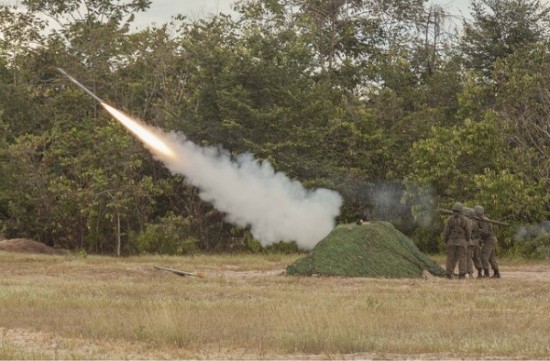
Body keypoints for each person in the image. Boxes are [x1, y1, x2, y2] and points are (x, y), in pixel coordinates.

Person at [443, 202, 471, 279]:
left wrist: (445, 240)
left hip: (451, 241)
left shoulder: (449, 219)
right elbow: (468, 231)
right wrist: (468, 239)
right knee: (462, 258)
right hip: (462, 241)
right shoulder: (465, 220)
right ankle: (462, 275)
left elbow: (446, 231)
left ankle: (449, 273)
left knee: (450, 258)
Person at [474, 205, 500, 278]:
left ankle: (486, 273)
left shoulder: (483, 220)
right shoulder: (484, 219)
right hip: (491, 239)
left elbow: (486, 232)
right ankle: (496, 273)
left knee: (483, 256)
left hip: (489, 239)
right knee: (491, 257)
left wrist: (478, 230)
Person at [465, 207, 483, 278]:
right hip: (476, 242)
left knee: (468, 258)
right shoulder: (475, 222)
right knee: (477, 258)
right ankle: (479, 272)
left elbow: (468, 232)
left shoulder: (468, 222)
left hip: (470, 241)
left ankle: (470, 274)